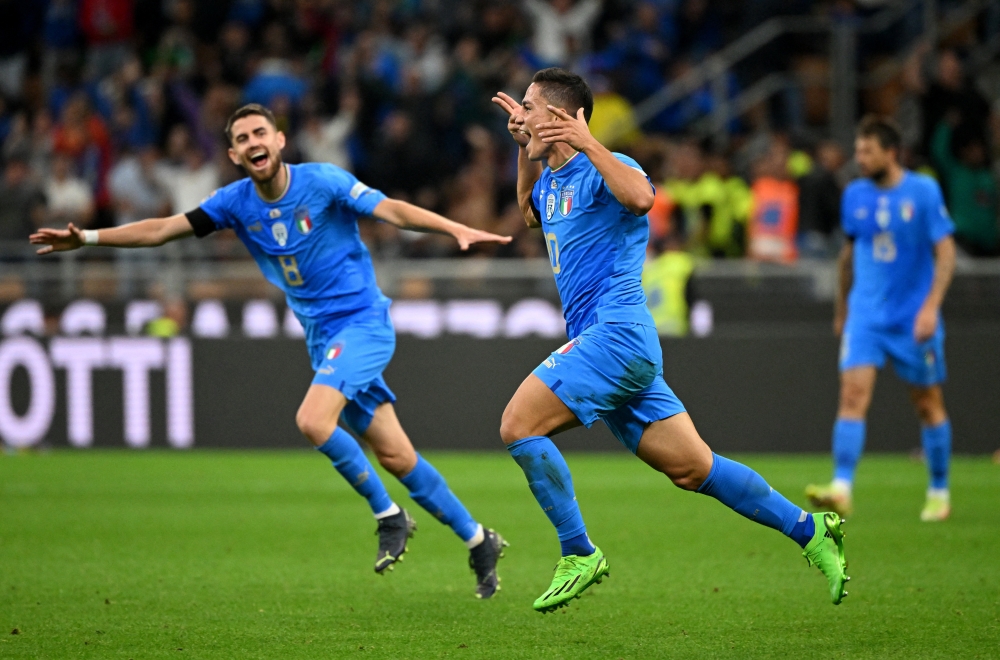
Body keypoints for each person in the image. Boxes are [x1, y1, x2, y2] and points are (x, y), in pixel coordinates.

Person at [30, 103, 511, 599]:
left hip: (363, 325)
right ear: (236, 155)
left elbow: (389, 208)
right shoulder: (235, 202)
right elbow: (160, 230)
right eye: (241, 138)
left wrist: (452, 227)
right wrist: (87, 237)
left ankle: (389, 515)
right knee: (395, 454)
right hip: (323, 340)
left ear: (279, 141)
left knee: (312, 420)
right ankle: (478, 539)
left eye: (260, 132)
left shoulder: (323, 181)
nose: (252, 141)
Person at [492, 68, 849, 614]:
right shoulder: (552, 182)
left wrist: (587, 140)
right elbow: (527, 212)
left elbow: (640, 199)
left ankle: (578, 551)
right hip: (608, 344)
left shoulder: (608, 167)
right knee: (693, 468)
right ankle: (811, 530)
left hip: (617, 335)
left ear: (563, 117)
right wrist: (524, 147)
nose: (520, 111)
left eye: (530, 105)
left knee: (518, 425)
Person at [806, 115, 957, 523]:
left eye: (867, 151)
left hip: (913, 318)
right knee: (852, 396)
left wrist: (931, 307)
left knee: (927, 404)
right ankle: (841, 487)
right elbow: (848, 256)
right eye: (857, 150)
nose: (860, 158)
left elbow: (945, 252)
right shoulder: (854, 194)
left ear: (892, 152)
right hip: (866, 315)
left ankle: (939, 490)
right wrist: (842, 310)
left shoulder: (923, 191)